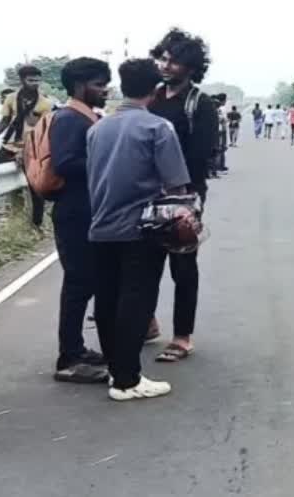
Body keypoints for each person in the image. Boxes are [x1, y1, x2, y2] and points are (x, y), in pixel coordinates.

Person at [87, 58, 192, 401]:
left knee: (107, 298)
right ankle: (127, 379)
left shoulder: (97, 128)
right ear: (155, 89)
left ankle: (117, 371)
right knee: (137, 299)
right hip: (141, 227)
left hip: (101, 224)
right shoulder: (158, 128)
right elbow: (176, 182)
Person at [145, 29, 218, 363]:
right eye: (162, 58)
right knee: (143, 262)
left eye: (173, 61)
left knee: (182, 265)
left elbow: (203, 153)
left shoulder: (199, 104)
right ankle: (147, 322)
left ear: (190, 67)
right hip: (144, 194)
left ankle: (182, 336)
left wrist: (179, 189)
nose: (165, 65)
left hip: (183, 196)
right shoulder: (149, 97)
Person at [49, 58, 111, 383]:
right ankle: (68, 358)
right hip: (74, 215)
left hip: (85, 212)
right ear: (79, 86)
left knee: (85, 283)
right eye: (100, 84)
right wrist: (107, 160)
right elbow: (64, 164)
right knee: (77, 285)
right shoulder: (70, 119)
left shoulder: (85, 118)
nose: (105, 90)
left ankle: (76, 348)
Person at [0, 66, 52, 226]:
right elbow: (4, 123)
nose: (35, 84)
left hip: (31, 149)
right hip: (9, 146)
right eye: (31, 80)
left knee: (35, 188)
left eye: (37, 80)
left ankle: (37, 224)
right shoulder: (11, 99)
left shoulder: (44, 103)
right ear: (22, 80)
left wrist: (26, 150)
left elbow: (42, 131)